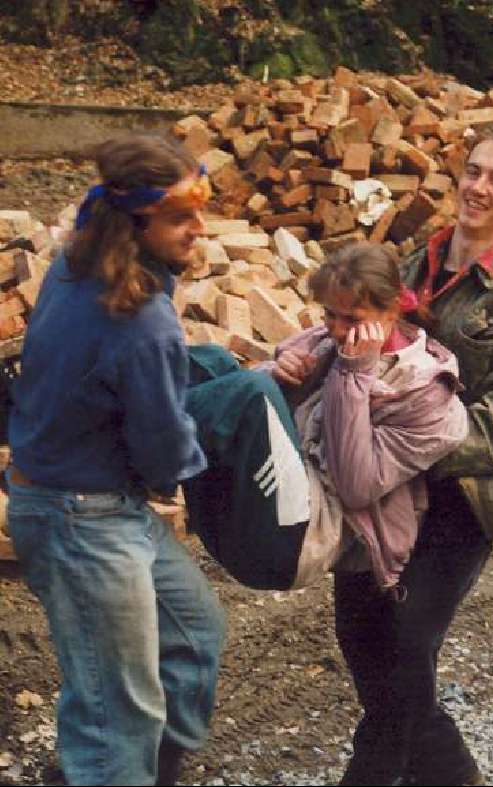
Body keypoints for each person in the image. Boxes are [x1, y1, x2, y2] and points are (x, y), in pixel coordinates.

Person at [333, 123, 493, 787]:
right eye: (474, 170)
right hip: (380, 487)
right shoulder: (410, 267)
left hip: (459, 501)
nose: (478, 187)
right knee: (361, 633)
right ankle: (453, 774)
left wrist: (400, 447)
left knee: (405, 645)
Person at [6, 133, 226, 787]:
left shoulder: (74, 266)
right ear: (135, 223)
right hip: (80, 519)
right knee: (116, 712)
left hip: (103, 503)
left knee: (194, 633)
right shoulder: (143, 321)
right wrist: (208, 458)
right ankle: (109, 771)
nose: (199, 229)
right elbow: (164, 452)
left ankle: (143, 772)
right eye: (181, 217)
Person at [182, 243, 468, 597]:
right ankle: (128, 414)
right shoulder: (327, 340)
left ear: (392, 309)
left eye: (353, 319)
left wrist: (353, 374)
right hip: (237, 515)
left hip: (297, 538)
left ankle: (137, 440)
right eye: (330, 315)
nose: (338, 329)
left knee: (253, 392)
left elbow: (356, 486)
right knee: (210, 362)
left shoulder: (427, 396)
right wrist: (278, 374)